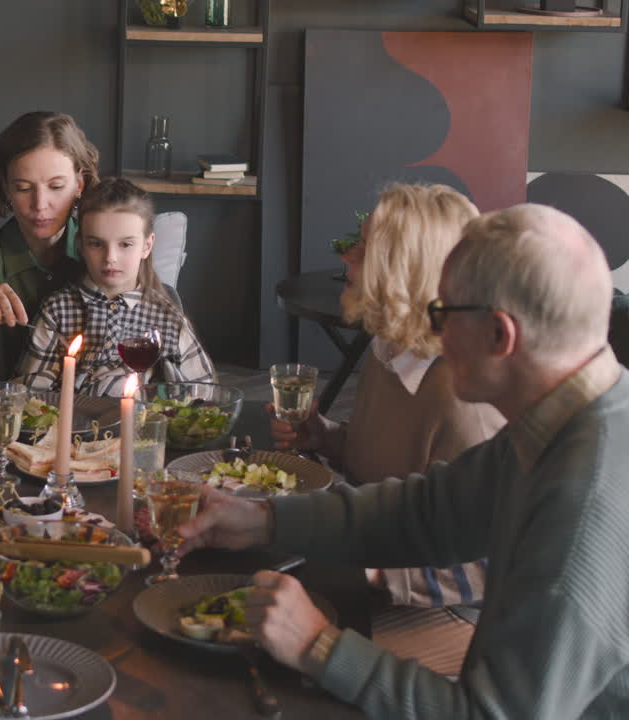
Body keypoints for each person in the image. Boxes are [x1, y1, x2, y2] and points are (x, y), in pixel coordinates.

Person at [180, 204, 629, 718]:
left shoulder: (583, 503)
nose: (435, 333)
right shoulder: (567, 417)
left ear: (499, 335)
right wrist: (262, 521)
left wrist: (316, 645)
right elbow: (430, 510)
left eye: (444, 314)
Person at [272, 183, 504, 608]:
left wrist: (361, 572)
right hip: (371, 552)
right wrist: (326, 436)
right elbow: (391, 471)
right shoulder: (390, 347)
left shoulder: (464, 400)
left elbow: (484, 567)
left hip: (437, 611)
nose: (347, 257)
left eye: (364, 250)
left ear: (405, 271)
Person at [17, 178, 215, 396]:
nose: (110, 257)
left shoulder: (167, 318)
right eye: (96, 244)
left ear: (147, 246)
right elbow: (29, 392)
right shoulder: (58, 310)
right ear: (81, 245)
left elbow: (203, 393)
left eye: (125, 244)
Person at [0, 111, 100, 388]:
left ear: (79, 185)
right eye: (24, 188)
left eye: (56, 186)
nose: (40, 204)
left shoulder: (102, 253)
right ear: (6, 188)